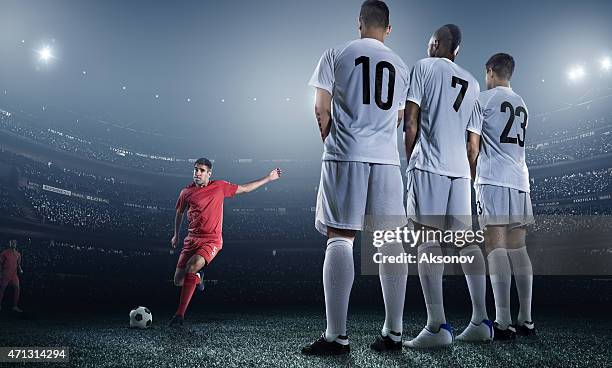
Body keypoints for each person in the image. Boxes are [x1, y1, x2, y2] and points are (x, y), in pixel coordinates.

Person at [302, 0, 410, 355]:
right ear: (389, 29)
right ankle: (394, 333)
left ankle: (337, 336)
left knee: (340, 238)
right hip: (387, 161)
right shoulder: (402, 65)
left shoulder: (336, 53)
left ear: (359, 22)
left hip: (346, 155)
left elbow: (320, 107)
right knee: (391, 244)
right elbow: (399, 117)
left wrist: (335, 142)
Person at [403, 24, 490, 348]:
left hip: (429, 166)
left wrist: (409, 160)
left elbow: (411, 122)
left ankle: (436, 326)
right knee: (467, 245)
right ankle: (481, 320)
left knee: (428, 243)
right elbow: (473, 144)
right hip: (459, 171)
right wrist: (468, 176)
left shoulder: (423, 67)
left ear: (436, 43)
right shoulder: (472, 81)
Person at [168, 158, 282, 326]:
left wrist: (268, 178)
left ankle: (179, 315)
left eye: (201, 170)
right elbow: (179, 213)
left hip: (211, 240)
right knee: (178, 281)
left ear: (209, 173)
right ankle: (199, 278)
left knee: (192, 266)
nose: (197, 173)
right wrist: (176, 235)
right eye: (195, 169)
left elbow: (244, 189)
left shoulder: (219, 187)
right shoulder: (185, 192)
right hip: (191, 240)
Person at [471, 53, 535, 339]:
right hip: (520, 179)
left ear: (490, 71)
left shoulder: (483, 100)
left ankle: (503, 321)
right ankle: (526, 320)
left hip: (493, 179)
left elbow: (473, 147)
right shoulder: (522, 103)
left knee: (495, 248)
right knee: (518, 249)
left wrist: (472, 178)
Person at [0, 239, 24, 313]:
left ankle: (15, 306)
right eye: (12, 243)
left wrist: (20, 269)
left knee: (17, 288)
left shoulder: (18, 254)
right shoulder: (4, 253)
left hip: (14, 274)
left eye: (15, 243)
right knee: (2, 289)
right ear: (9, 243)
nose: (14, 244)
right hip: (5, 273)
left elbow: (18, 264)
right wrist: (0, 273)